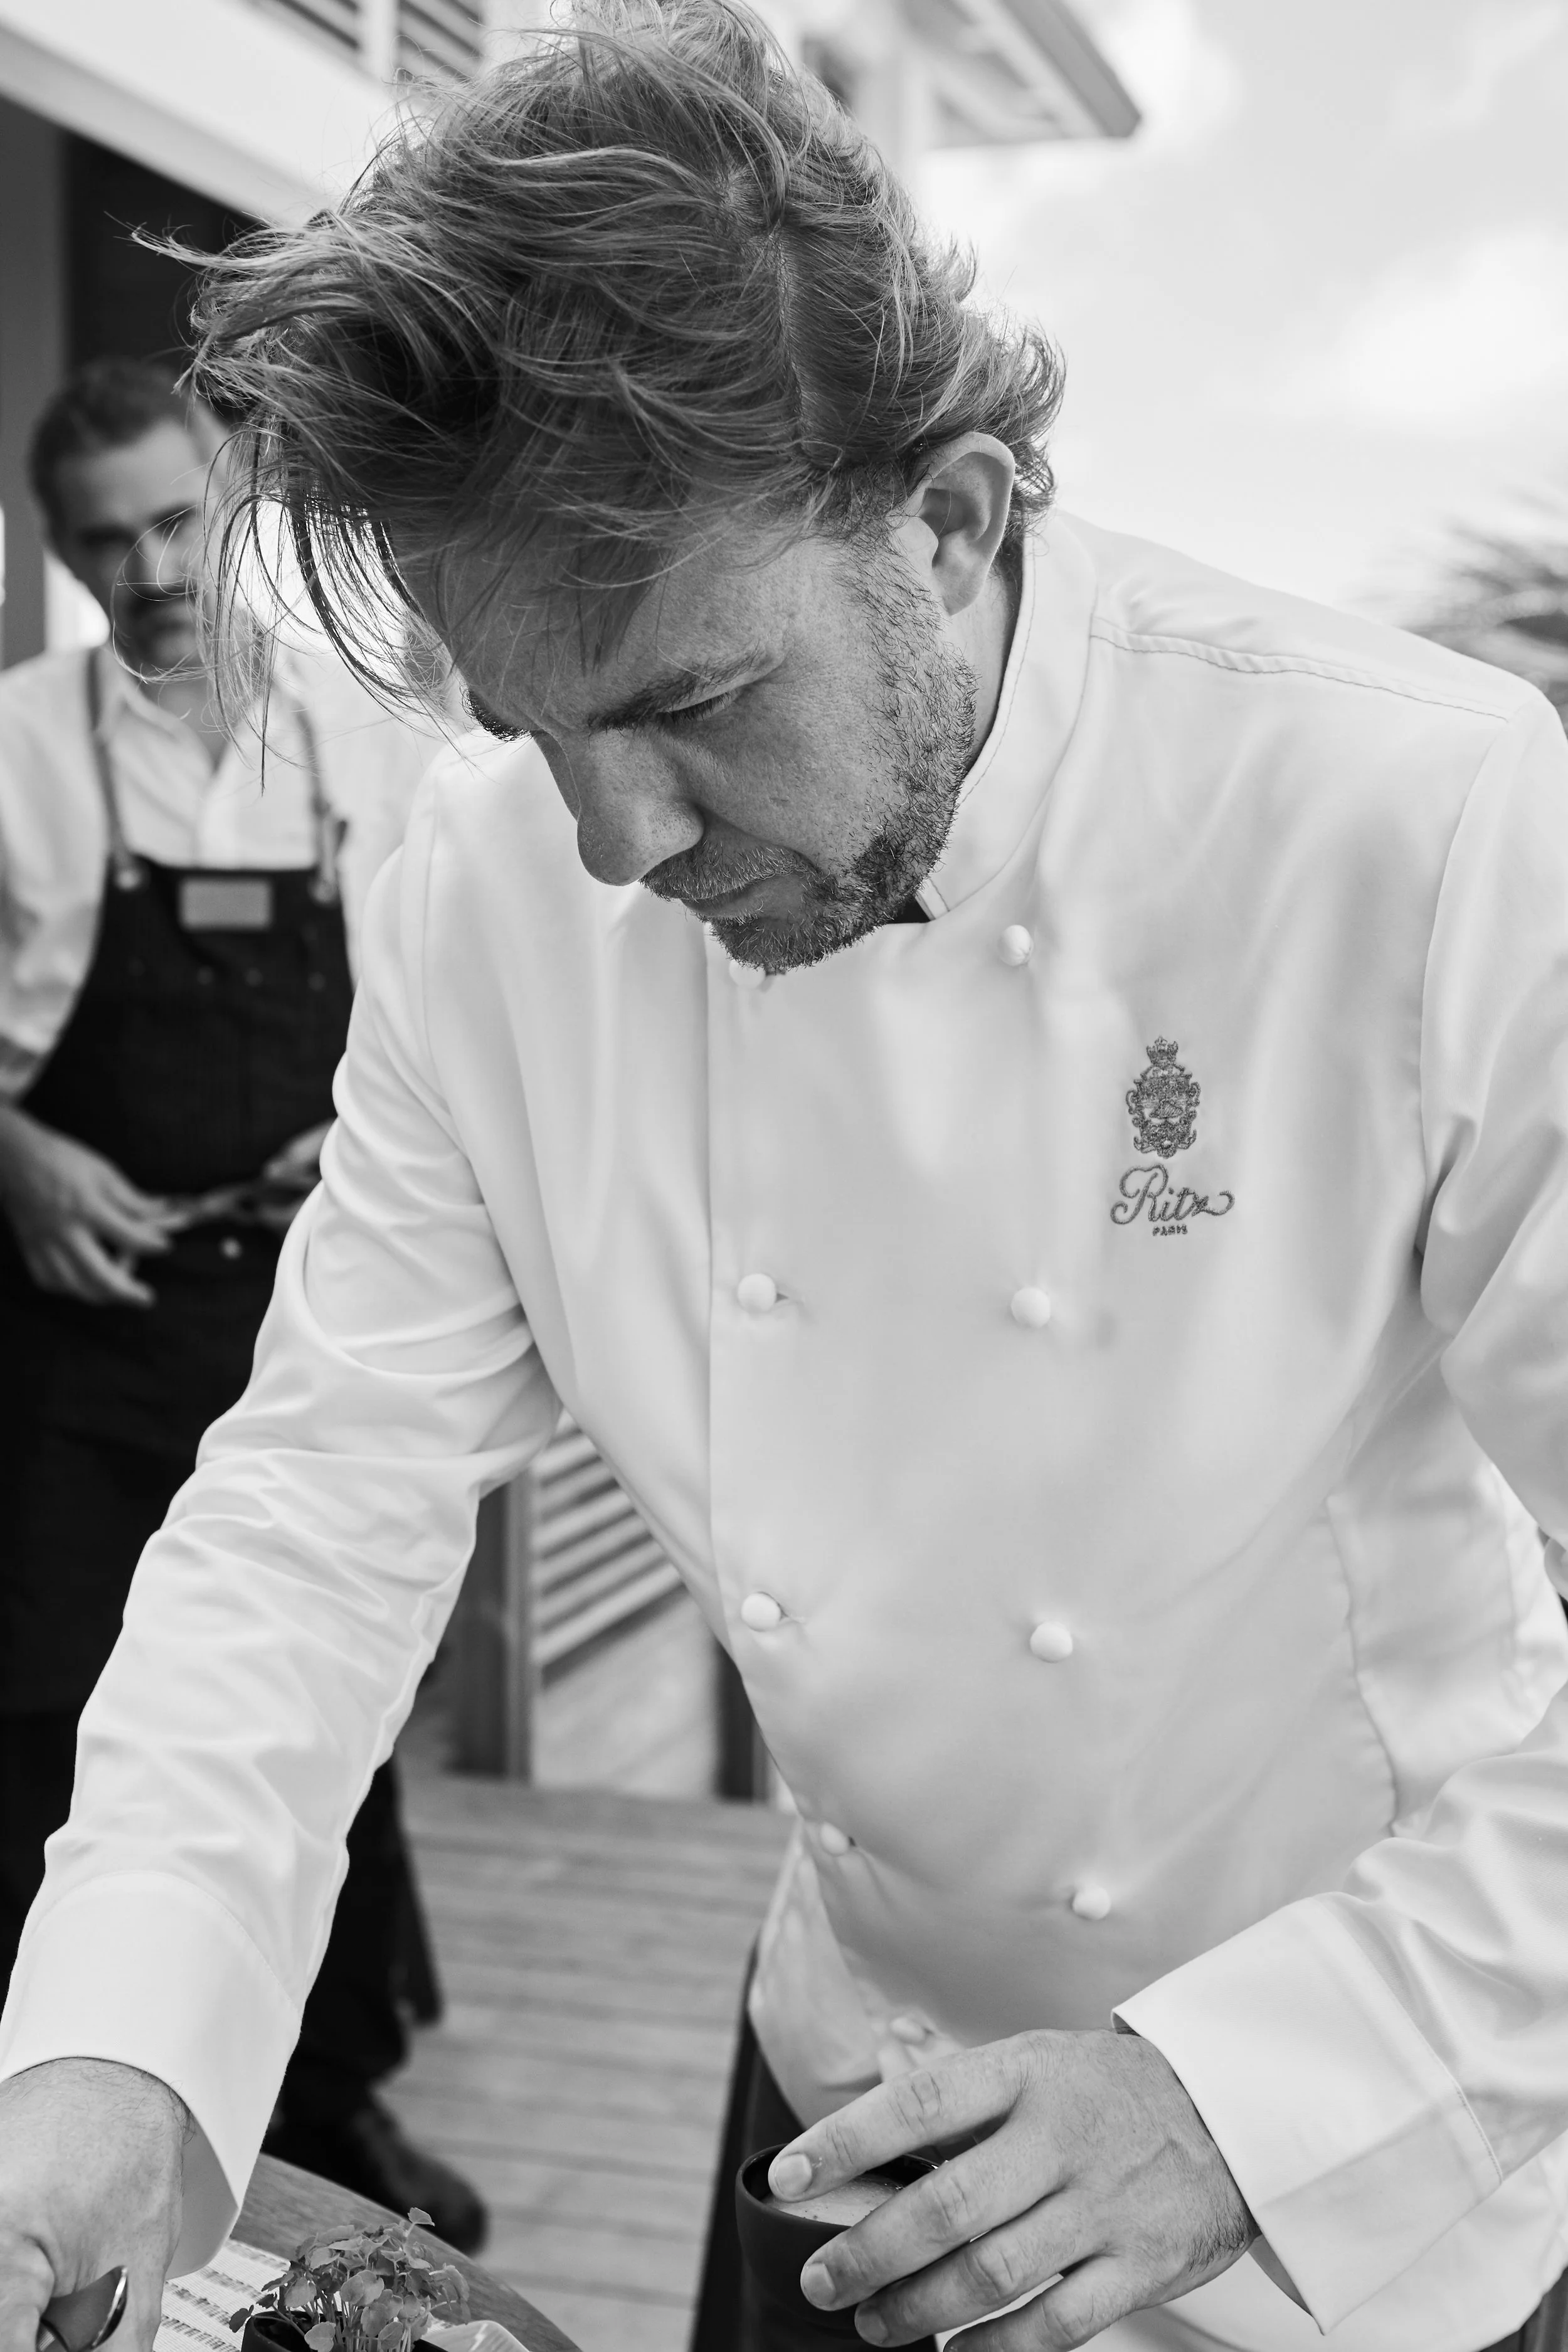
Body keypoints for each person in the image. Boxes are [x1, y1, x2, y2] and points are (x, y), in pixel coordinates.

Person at [4, 8, 1568, 2349]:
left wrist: (1257, 2085)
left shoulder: (1416, 821)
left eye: (689, 705)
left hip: (1349, 2156)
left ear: (942, 521)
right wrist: (119, 2037)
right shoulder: (482, 889)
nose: (614, 844)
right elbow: (321, 1506)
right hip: (846, 2112)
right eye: (534, 730)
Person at [0, 360, 484, 2252]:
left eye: (173, 520)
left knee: (316, 1716)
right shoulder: (17, 747)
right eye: (102, 536)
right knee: (52, 1718)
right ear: (62, 549)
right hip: (64, 1324)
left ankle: (333, 2108)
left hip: (299, 1320)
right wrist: (16, 1158)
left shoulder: (380, 740)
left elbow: (452, 1014)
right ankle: (58, 2110)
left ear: (234, 512)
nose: (145, 566)